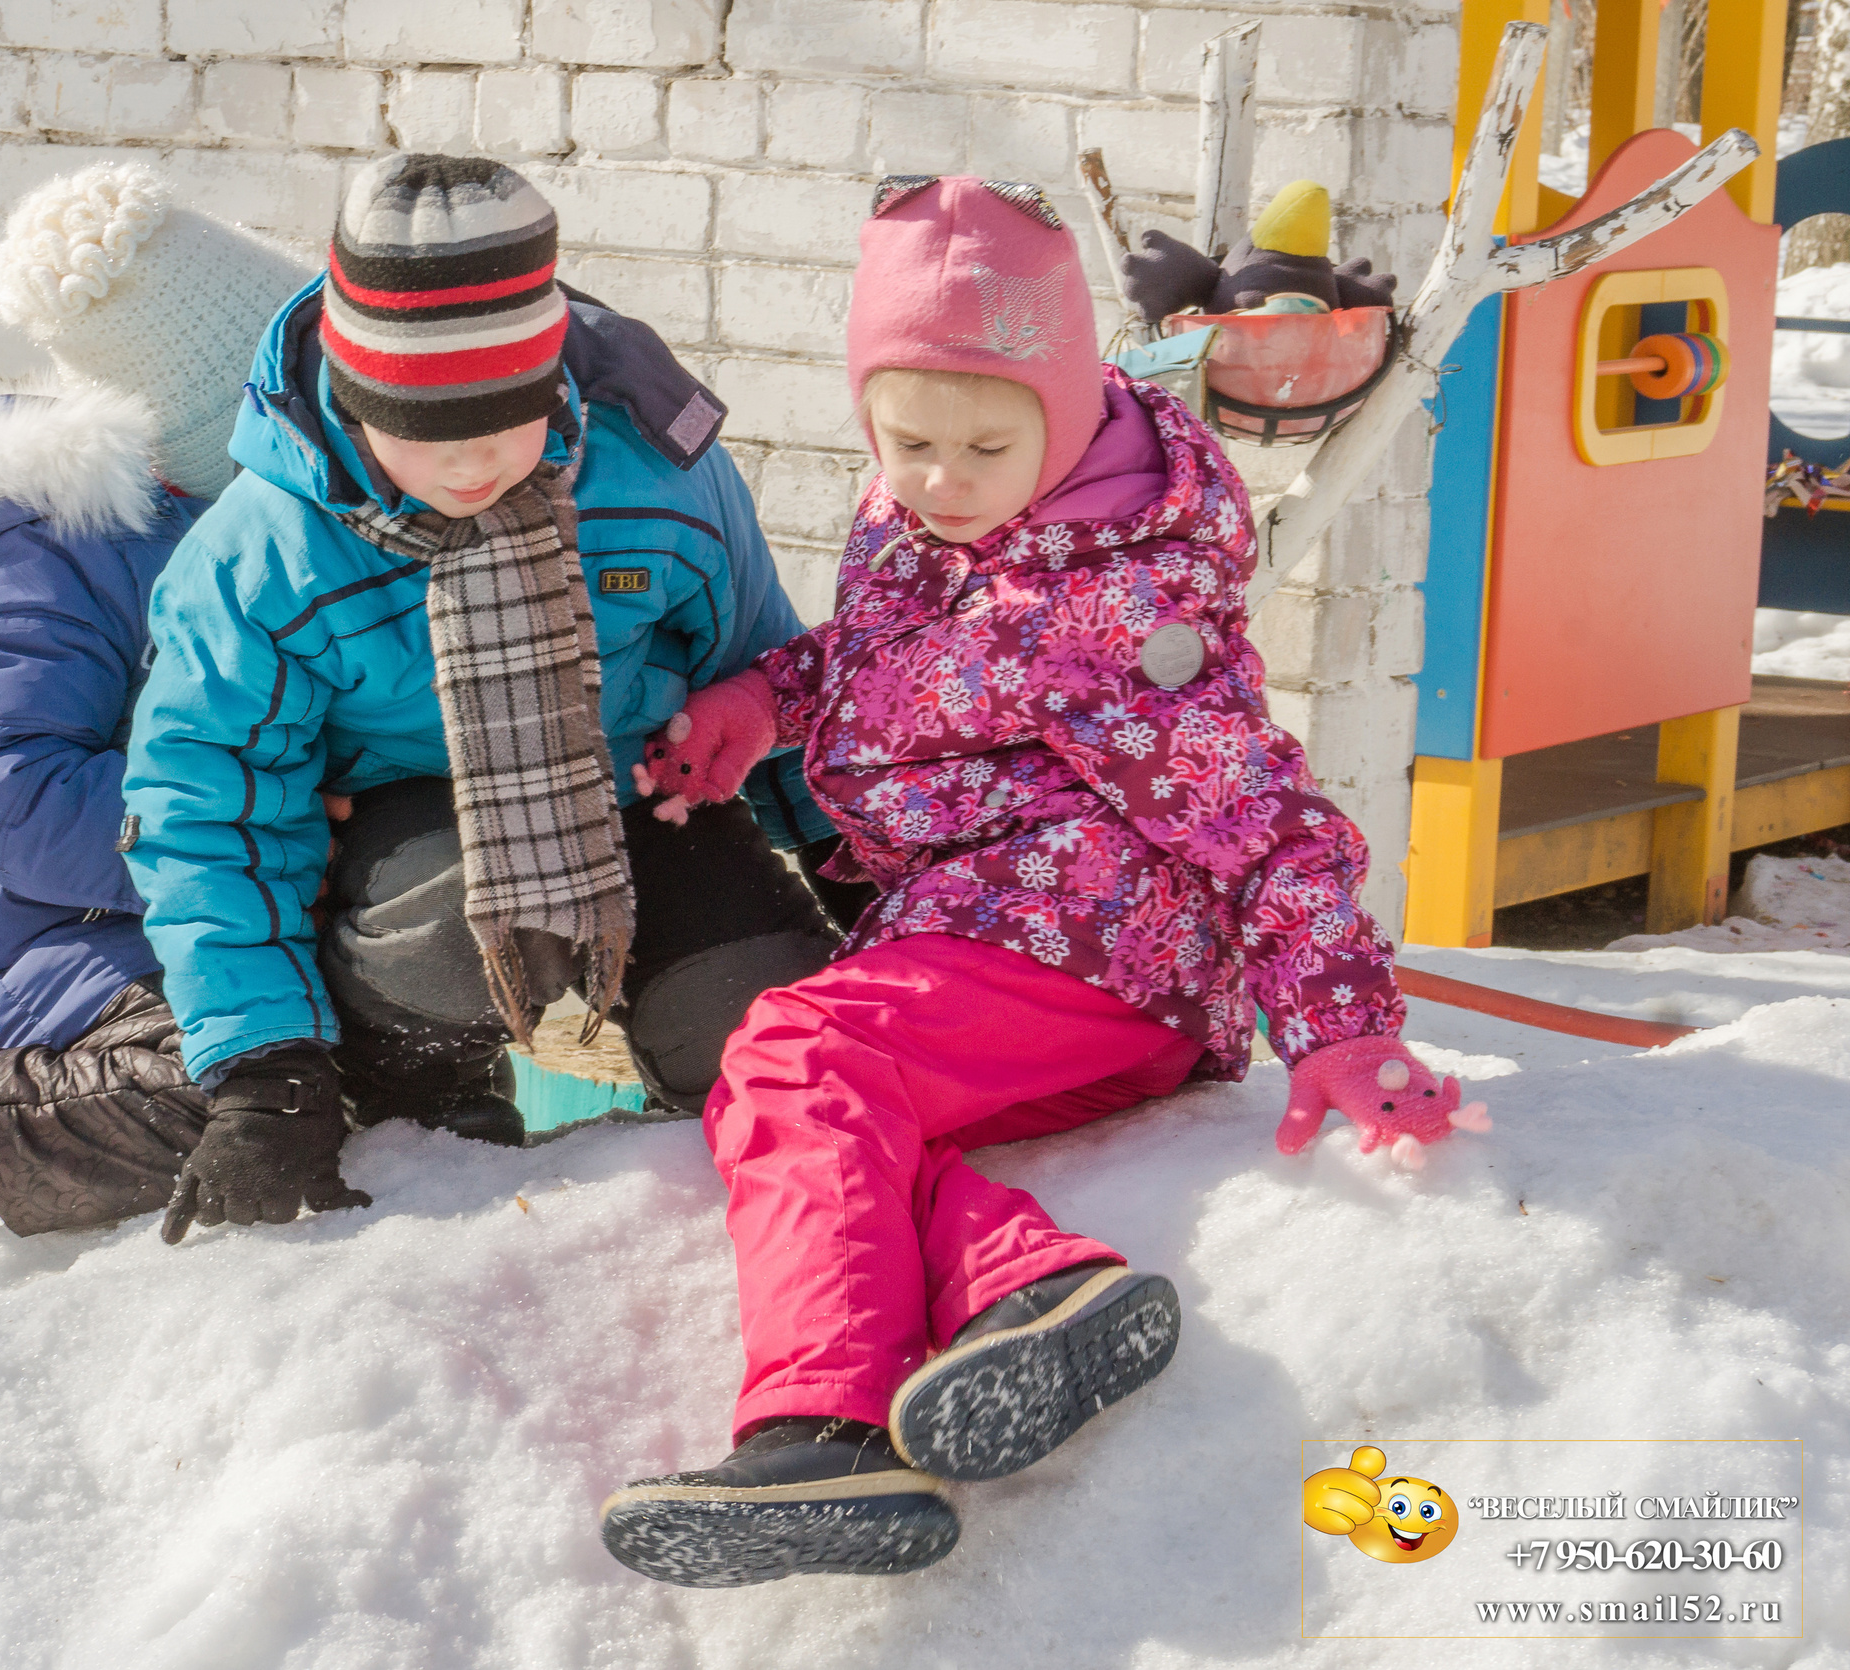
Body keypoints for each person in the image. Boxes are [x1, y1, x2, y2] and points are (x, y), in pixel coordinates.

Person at [596, 176, 1483, 1587]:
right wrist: (765, 696)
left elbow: (1265, 818)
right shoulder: (931, 523)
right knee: (854, 1128)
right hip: (1000, 945)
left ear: (1067, 418)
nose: (940, 475)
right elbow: (887, 653)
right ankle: (1036, 1287)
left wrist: (1345, 1024)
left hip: (1096, 948)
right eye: (909, 440)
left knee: (797, 1049)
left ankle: (817, 1429)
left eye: (983, 443)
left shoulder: (1119, 607)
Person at [121, 154, 846, 1243]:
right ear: (357, 404)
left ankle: (687, 1177)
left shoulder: (655, 472)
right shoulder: (260, 561)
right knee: (445, 929)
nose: (471, 470)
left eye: (502, 429)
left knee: (763, 1023)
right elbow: (206, 806)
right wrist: (264, 1063)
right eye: (426, 436)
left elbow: (767, 670)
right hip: (409, 849)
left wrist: (870, 883)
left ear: (550, 385)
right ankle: (425, 1109)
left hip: (641, 801)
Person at [0, 161, 312, 1255]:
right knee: (226, 1090)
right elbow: (15, 796)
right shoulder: (36, 559)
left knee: (328, 1067)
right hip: (65, 930)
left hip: (227, 895)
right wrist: (269, 821)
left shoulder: (257, 525)